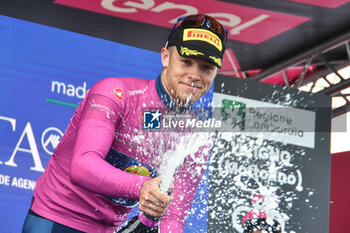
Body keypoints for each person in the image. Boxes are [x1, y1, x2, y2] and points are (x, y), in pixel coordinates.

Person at [21, 14, 227, 233]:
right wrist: (143, 187)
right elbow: (82, 167)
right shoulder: (115, 94)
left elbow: (173, 217)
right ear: (165, 57)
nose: (194, 75)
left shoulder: (195, 136)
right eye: (186, 61)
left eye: (206, 68)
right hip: (58, 219)